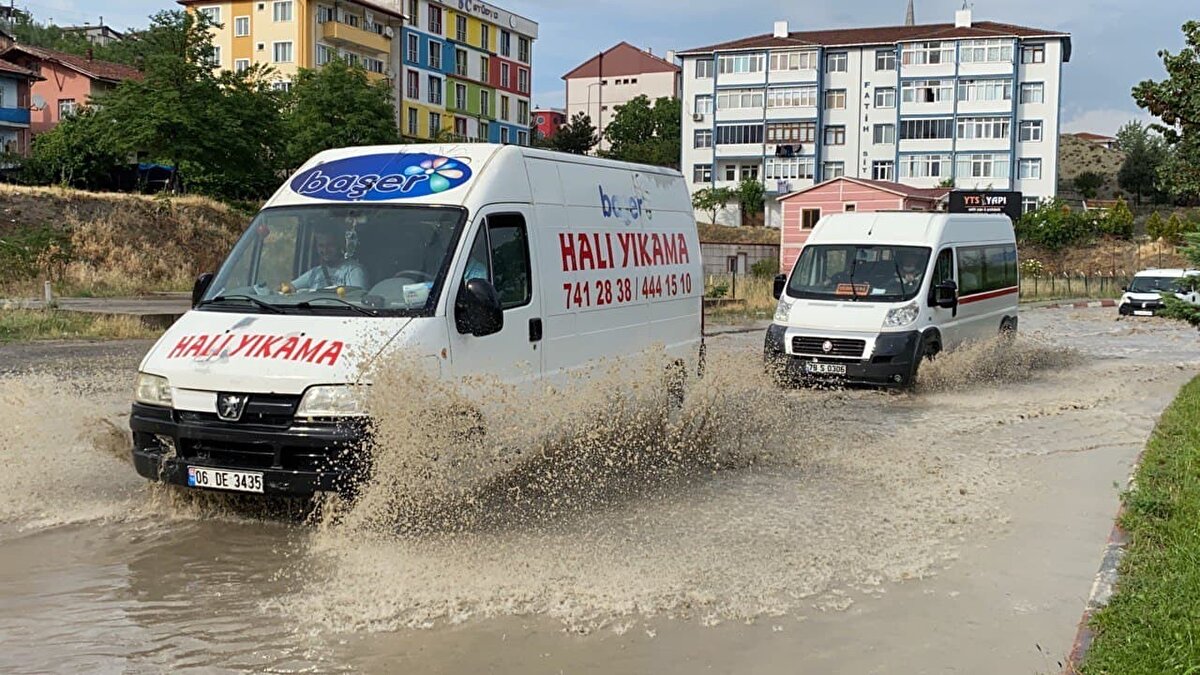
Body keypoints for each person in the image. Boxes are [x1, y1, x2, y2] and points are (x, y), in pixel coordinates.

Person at [290, 226, 367, 291]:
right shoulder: (315, 273)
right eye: (321, 246)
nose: (325, 250)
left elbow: (357, 299)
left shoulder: (353, 271)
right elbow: (289, 288)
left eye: (330, 245)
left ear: (340, 245)